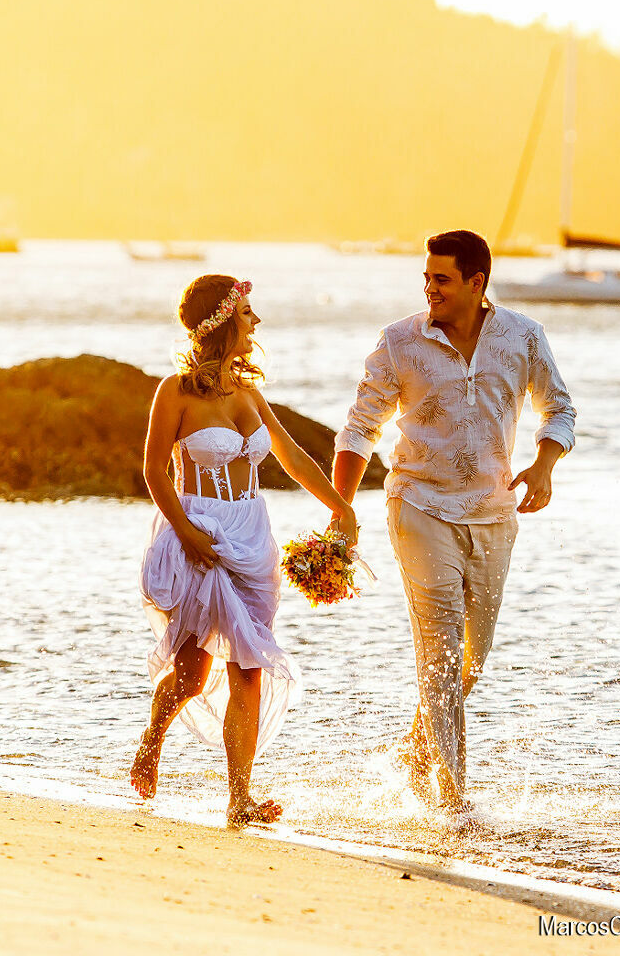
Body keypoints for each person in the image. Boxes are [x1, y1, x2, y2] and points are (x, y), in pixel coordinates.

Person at [331, 230, 575, 816]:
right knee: (438, 650)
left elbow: (559, 408)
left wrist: (543, 465)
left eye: (441, 279)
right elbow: (359, 429)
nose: (429, 290)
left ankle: (420, 751)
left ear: (476, 282)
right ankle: (453, 801)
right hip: (419, 507)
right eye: (426, 279)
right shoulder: (399, 342)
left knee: (472, 657)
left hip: (494, 514)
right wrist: (341, 511)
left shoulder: (522, 337)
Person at [131, 274, 359, 826]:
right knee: (192, 669)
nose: (256, 321)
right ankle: (152, 739)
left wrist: (341, 506)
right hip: (199, 534)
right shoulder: (175, 392)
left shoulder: (249, 390)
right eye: (247, 311)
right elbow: (153, 469)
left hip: (253, 535)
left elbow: (291, 455)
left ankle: (239, 798)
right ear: (222, 321)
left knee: (249, 666)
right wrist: (186, 532)